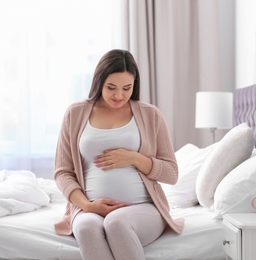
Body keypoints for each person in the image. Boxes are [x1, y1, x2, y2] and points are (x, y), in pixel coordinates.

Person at [53, 49, 184, 260]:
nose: (119, 95)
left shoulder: (150, 115)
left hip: (142, 208)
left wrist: (134, 158)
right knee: (87, 228)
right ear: (99, 82)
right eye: (111, 87)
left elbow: (172, 173)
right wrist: (87, 205)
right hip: (89, 209)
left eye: (127, 88)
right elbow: (62, 173)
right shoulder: (75, 114)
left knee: (116, 223)